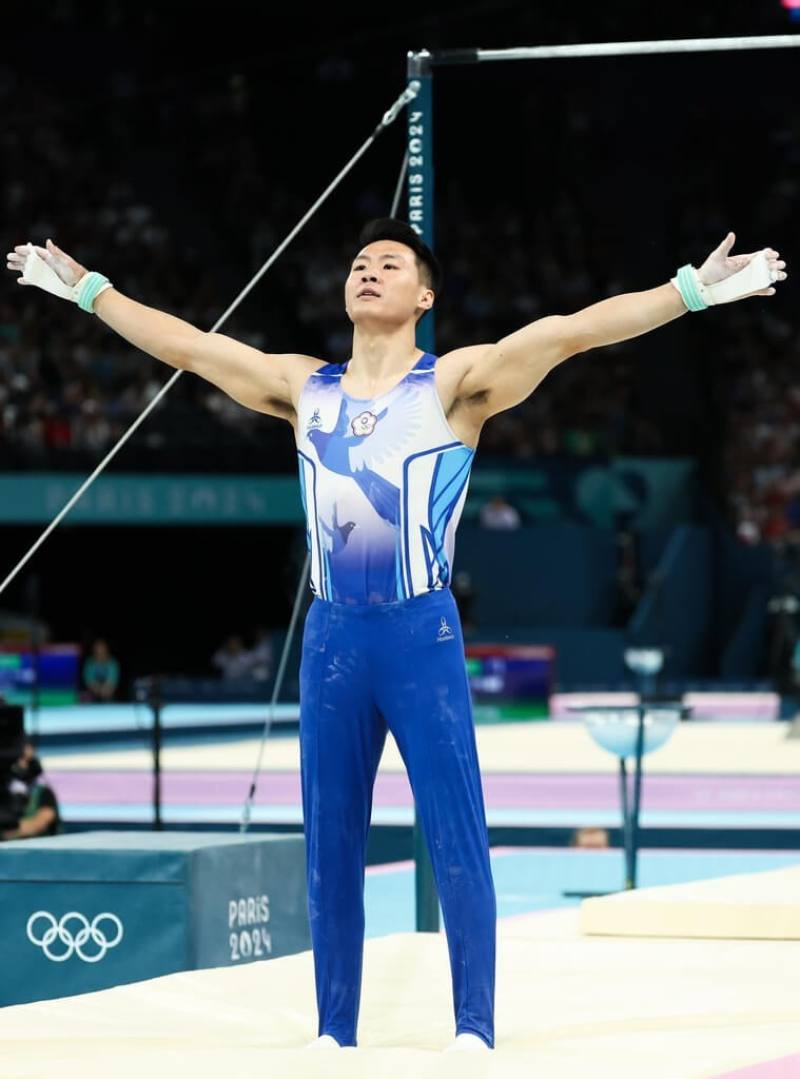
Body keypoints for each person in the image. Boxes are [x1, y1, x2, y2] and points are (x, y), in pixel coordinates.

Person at [5, 222, 787, 1051]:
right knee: (329, 840)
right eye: (358, 264)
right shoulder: (303, 385)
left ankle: (473, 1030)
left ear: (425, 296)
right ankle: (333, 1032)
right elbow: (192, 349)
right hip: (333, 636)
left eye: (389, 264)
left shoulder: (453, 383)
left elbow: (569, 334)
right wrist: (91, 291)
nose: (368, 271)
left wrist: (690, 291)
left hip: (420, 634)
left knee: (455, 831)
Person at [1, 741, 62, 841]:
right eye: (18, 760)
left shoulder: (44, 793)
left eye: (27, 761)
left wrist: (12, 830)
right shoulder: (6, 793)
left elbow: (39, 823)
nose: (22, 765)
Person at [82, 637, 120, 701]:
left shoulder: (112, 663)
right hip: (93, 694)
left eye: (102, 649)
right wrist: (98, 690)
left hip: (108, 694)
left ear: (106, 650)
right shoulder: (89, 663)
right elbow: (89, 682)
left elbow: (112, 682)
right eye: (97, 649)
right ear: (94, 651)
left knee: (109, 698)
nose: (100, 652)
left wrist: (105, 691)